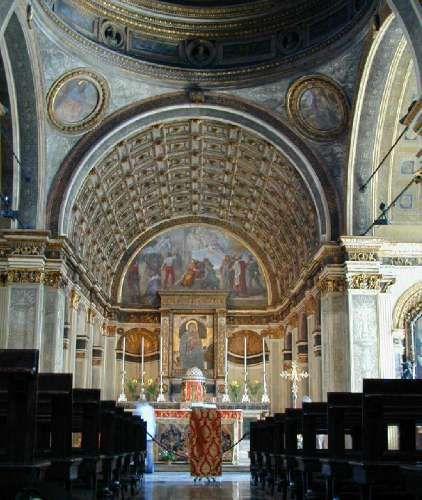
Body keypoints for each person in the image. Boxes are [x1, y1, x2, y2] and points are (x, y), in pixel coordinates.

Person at [133, 400, 157, 473]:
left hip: (140, 434)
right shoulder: (151, 409)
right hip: (150, 432)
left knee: (139, 451)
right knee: (150, 452)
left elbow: (134, 421)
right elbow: (154, 421)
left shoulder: (138, 410)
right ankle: (150, 468)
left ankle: (138, 468)